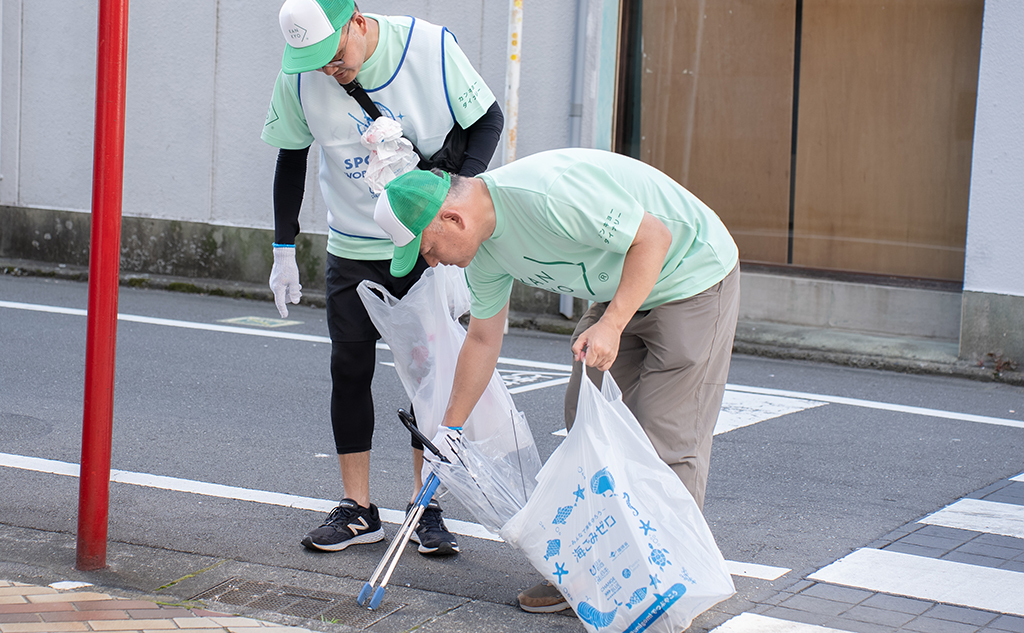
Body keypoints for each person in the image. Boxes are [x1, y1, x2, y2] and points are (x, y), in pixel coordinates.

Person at [372, 147, 740, 610]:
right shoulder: (484, 254)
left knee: (666, 437)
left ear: (453, 220)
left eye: (427, 249)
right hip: (620, 286)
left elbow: (654, 237)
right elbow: (483, 340)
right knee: (586, 426)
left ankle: (667, 588)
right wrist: (449, 431)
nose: (431, 262)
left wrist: (612, 323)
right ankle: (593, 572)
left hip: (691, 277)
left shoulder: (547, 194)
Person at [260, 0, 504, 556]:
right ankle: (358, 509)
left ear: (359, 22)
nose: (329, 69)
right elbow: (291, 159)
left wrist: (455, 199)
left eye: (335, 55)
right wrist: (282, 248)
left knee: (427, 374)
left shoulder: (430, 48)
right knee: (349, 368)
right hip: (350, 242)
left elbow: (487, 120)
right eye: (315, 61)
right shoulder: (298, 76)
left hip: (423, 242)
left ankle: (427, 506)